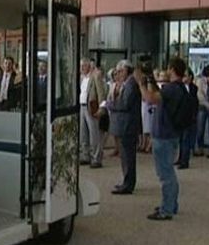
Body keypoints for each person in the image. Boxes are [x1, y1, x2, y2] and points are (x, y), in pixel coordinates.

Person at [134, 57, 187, 220]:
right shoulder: (179, 88)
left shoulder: (172, 88)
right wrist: (150, 79)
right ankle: (171, 204)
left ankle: (167, 209)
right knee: (168, 171)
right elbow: (158, 93)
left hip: (164, 135)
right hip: (170, 133)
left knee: (165, 174)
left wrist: (141, 83)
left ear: (172, 69)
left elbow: (150, 99)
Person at [104, 60, 141, 195]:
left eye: (120, 71)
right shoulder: (127, 84)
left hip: (128, 125)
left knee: (128, 156)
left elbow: (125, 104)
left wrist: (110, 105)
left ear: (127, 70)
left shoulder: (131, 85)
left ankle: (128, 183)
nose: (118, 74)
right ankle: (126, 181)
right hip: (125, 125)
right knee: (125, 156)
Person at [80, 57, 106, 169]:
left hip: (91, 107)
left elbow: (101, 93)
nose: (82, 68)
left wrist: (102, 108)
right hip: (82, 106)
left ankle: (96, 158)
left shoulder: (95, 76)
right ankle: (85, 155)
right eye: (81, 66)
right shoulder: (82, 78)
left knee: (94, 134)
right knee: (83, 133)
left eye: (84, 66)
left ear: (89, 66)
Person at [176, 68, 199, 169]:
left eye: (186, 76)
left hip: (189, 117)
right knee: (181, 139)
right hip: (181, 117)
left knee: (186, 139)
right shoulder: (179, 87)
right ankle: (180, 158)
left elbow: (194, 102)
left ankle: (185, 161)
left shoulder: (194, 88)